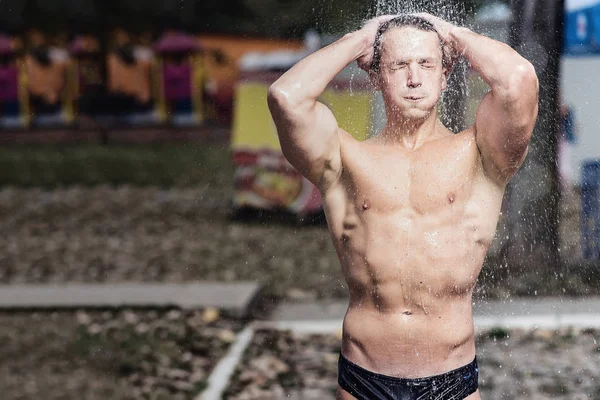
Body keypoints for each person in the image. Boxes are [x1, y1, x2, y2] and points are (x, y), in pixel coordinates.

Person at [267, 13, 538, 400]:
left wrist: (454, 35)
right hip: (365, 377)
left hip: (452, 378)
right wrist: (359, 40)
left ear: (445, 75)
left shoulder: (481, 153)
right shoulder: (346, 158)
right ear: (376, 77)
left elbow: (519, 81)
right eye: (399, 66)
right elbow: (285, 97)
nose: (414, 78)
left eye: (427, 64)